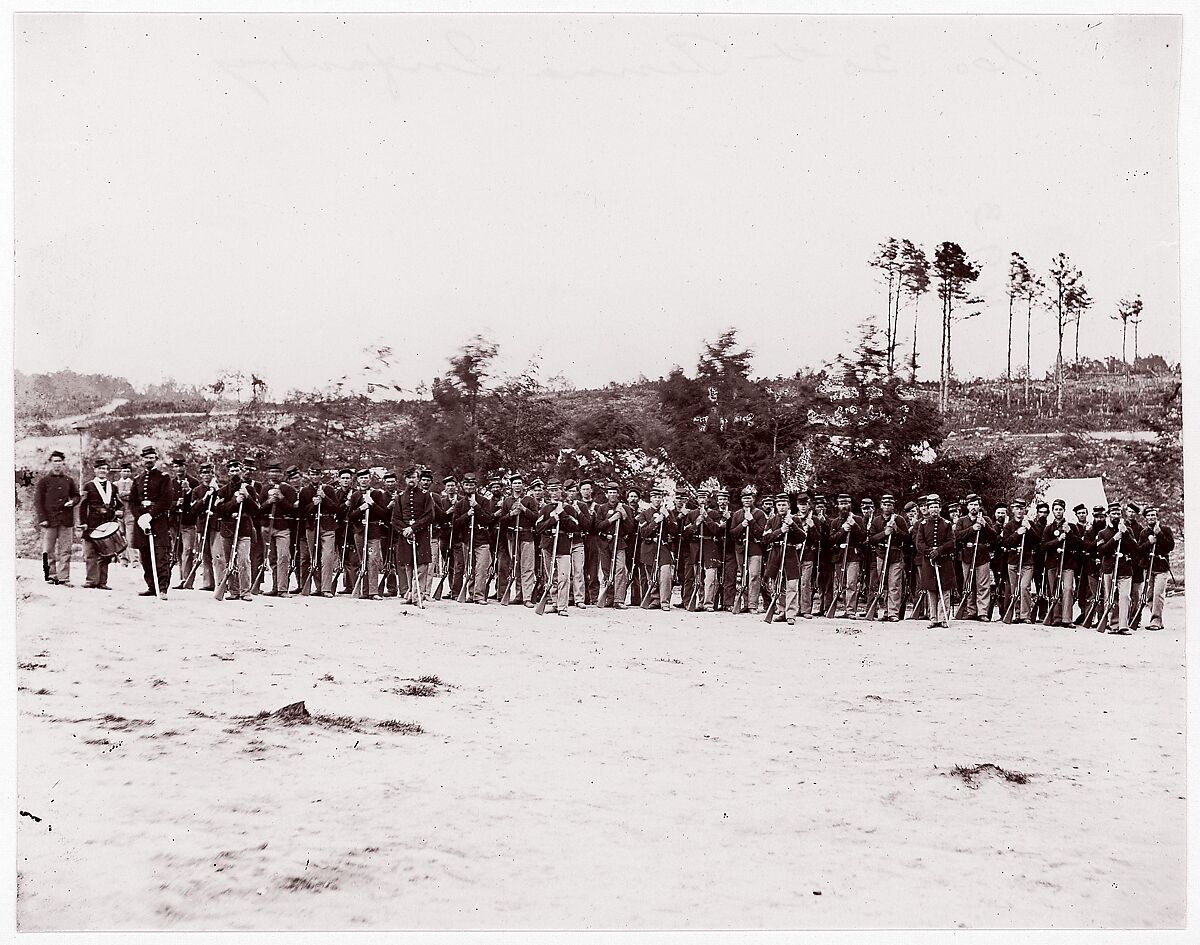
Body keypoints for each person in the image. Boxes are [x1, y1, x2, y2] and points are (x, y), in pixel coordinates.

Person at [128, 445, 175, 599]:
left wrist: (151, 515)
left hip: (158, 522)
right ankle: (151, 586)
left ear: (155, 459)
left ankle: (162, 589)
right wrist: (140, 517)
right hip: (142, 522)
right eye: (146, 458)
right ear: (142, 459)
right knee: (145, 556)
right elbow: (132, 502)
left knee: (161, 556)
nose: (148, 460)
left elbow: (166, 500)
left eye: (151, 458)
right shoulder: (137, 480)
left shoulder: (164, 478)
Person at [34, 449, 80, 586]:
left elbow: (76, 495)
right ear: (50, 463)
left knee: (65, 550)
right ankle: (51, 575)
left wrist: (72, 502)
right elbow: (38, 501)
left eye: (60, 461)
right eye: (55, 461)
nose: (57, 464)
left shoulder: (69, 480)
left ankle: (64, 577)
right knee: (48, 550)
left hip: (66, 520)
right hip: (49, 520)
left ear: (63, 463)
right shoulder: (44, 481)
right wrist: (42, 518)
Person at [76, 457, 123, 590]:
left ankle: (102, 582)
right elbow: (82, 506)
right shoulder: (88, 486)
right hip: (92, 523)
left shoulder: (113, 487)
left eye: (105, 469)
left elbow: (120, 504)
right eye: (100, 468)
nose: (103, 471)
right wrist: (83, 522)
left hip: (107, 523)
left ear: (107, 471)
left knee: (106, 553)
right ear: (95, 470)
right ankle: (91, 580)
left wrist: (120, 511)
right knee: (90, 552)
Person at [536, 478, 579, 615]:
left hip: (563, 545)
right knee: (551, 577)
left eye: (556, 490)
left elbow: (573, 527)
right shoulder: (545, 509)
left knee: (564, 576)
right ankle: (554, 603)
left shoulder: (569, 509)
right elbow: (538, 528)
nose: (554, 493)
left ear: (562, 491)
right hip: (548, 544)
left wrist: (562, 513)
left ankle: (562, 606)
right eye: (551, 490)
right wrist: (553, 519)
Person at [914, 493, 957, 628]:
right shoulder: (923, 524)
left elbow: (952, 542)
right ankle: (933, 619)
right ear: (928, 508)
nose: (934, 510)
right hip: (929, 561)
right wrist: (929, 552)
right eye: (931, 507)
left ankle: (944, 618)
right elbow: (919, 543)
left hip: (944, 561)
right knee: (931, 591)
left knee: (945, 590)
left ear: (940, 508)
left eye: (936, 507)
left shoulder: (947, 524)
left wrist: (939, 550)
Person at [954, 493, 997, 620]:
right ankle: (971, 611)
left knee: (983, 585)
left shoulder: (986, 519)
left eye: (976, 505)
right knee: (968, 584)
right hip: (967, 555)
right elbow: (956, 536)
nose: (974, 507)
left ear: (979, 506)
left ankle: (982, 612)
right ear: (967, 506)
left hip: (982, 556)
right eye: (971, 504)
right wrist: (972, 529)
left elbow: (994, 537)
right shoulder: (962, 520)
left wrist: (985, 526)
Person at [258, 462, 299, 596]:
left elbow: (292, 510)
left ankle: (282, 589)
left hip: (283, 527)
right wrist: (268, 502)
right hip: (267, 526)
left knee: (283, 557)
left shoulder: (288, 489)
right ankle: (275, 587)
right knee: (273, 558)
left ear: (281, 474)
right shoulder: (264, 489)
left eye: (277, 472)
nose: (274, 474)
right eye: (272, 472)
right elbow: (258, 509)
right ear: (268, 473)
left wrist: (281, 498)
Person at [1040, 499, 1080, 627]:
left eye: (1060, 509)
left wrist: (1069, 533)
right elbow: (1043, 546)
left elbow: (1079, 544)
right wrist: (1058, 540)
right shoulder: (1048, 528)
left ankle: (1067, 619)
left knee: (1068, 589)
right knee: (1054, 590)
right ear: (1053, 511)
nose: (1058, 512)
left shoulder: (1071, 526)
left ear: (1064, 510)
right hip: (1053, 564)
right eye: (1056, 509)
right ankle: (1056, 617)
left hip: (1067, 563)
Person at [869, 493, 909, 621]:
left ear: (893, 506)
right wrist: (884, 533)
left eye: (890, 505)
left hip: (896, 555)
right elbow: (871, 539)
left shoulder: (900, 520)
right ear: (881, 506)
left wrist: (896, 530)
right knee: (883, 584)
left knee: (894, 584)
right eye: (885, 504)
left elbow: (908, 539)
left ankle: (893, 613)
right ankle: (885, 611)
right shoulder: (876, 520)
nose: (887, 507)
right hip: (881, 554)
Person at [594, 481, 634, 608]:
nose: (612, 495)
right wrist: (611, 519)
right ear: (606, 494)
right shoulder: (601, 508)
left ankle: (619, 599)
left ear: (618, 494)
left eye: (614, 493)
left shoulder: (625, 508)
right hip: (605, 543)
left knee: (620, 569)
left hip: (620, 543)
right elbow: (597, 526)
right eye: (610, 493)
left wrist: (623, 516)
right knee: (607, 571)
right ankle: (609, 598)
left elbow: (630, 529)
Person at [828, 494, 866, 618]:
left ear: (850, 505)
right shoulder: (835, 522)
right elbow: (831, 540)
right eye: (841, 503)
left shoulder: (858, 519)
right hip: (839, 555)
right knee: (842, 584)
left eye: (846, 503)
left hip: (853, 555)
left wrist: (853, 525)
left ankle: (851, 611)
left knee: (851, 583)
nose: (844, 506)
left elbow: (863, 537)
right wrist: (843, 529)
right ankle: (845, 608)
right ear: (838, 505)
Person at [1142, 506, 1174, 631]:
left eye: (1153, 515)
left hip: (1161, 567)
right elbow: (1139, 550)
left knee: (1158, 594)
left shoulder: (1165, 530)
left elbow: (1169, 546)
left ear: (1157, 517)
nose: (1151, 517)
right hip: (1149, 566)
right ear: (1145, 518)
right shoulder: (1144, 533)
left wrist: (1159, 534)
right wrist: (1149, 542)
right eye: (1149, 515)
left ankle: (1156, 620)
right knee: (1149, 596)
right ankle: (1156, 619)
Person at [115, 462, 137, 566]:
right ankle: (122, 559)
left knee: (131, 536)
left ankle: (135, 561)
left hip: (130, 512)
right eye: (124, 471)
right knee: (120, 536)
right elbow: (116, 497)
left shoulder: (134, 483)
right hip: (119, 513)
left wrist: (123, 494)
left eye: (128, 471)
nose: (126, 473)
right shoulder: (115, 484)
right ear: (120, 472)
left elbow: (133, 497)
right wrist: (126, 494)